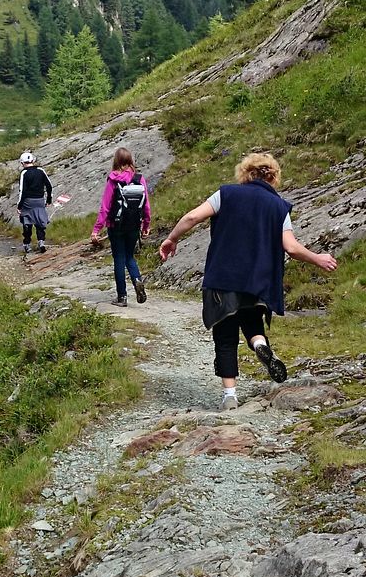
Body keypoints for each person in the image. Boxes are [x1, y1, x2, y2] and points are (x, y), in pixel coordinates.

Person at [158, 152, 337, 410]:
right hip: (258, 281)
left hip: (223, 277)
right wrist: (318, 258)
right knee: (251, 320)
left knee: (226, 335)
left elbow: (191, 218)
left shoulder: (226, 194)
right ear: (273, 176)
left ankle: (230, 396)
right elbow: (291, 247)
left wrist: (172, 239)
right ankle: (261, 346)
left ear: (245, 173)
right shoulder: (279, 207)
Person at [90, 147, 152, 306]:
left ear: (116, 161)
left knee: (119, 258)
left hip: (115, 226)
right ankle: (137, 279)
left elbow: (105, 207)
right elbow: (146, 205)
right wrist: (146, 225)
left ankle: (122, 297)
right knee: (130, 257)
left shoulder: (113, 179)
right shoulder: (139, 178)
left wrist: (96, 230)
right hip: (133, 225)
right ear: (130, 160)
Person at [15, 150, 53, 254]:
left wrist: (19, 205)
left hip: (28, 202)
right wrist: (49, 199)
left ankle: (27, 245)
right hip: (40, 200)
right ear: (33, 160)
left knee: (27, 222)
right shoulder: (41, 170)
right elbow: (49, 186)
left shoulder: (24, 173)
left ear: (22, 163)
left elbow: (22, 191)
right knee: (40, 221)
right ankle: (41, 242)